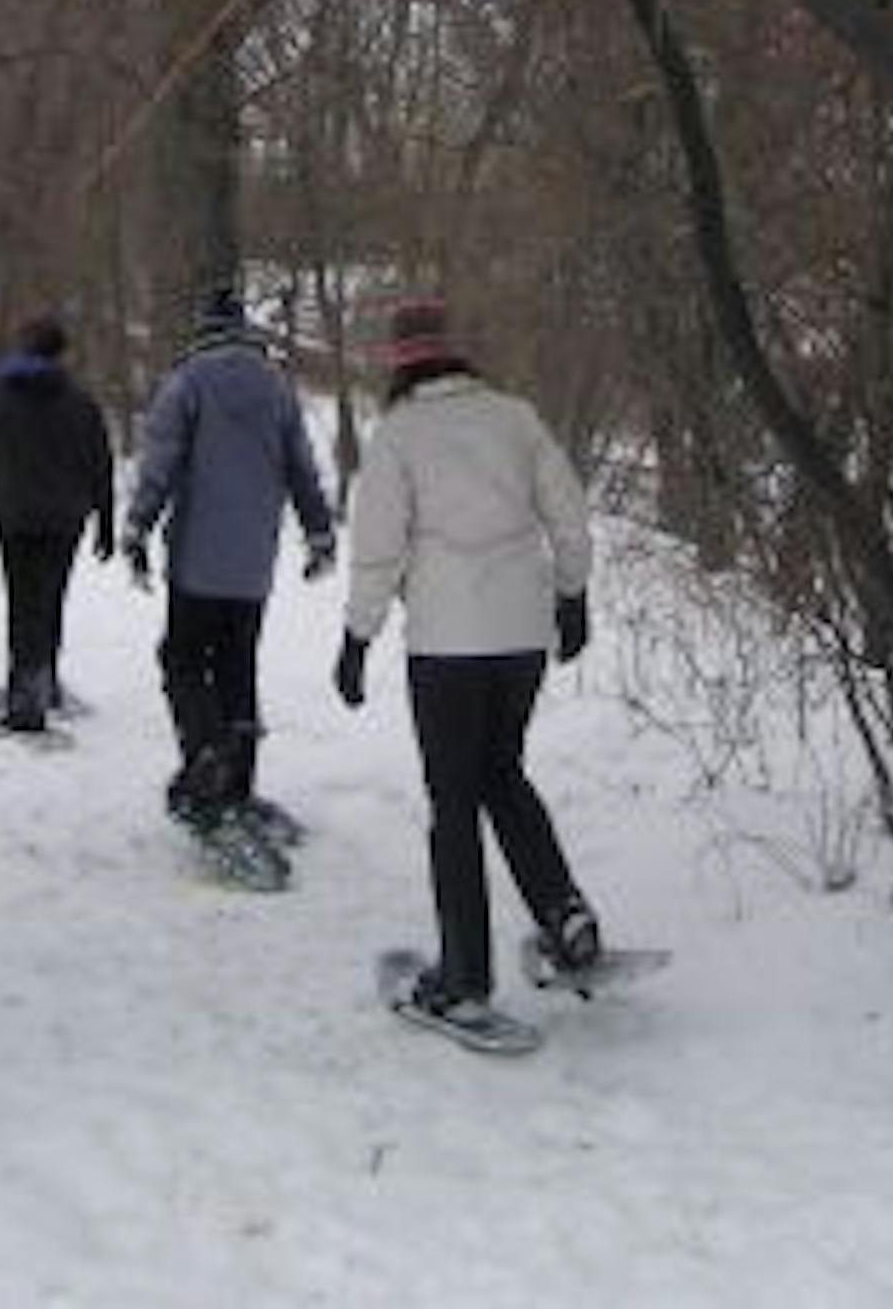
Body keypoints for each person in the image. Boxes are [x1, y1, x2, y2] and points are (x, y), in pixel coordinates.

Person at [333, 295, 601, 1038]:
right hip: (520, 638)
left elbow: (380, 549)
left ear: (399, 367)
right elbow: (569, 512)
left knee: (454, 804)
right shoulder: (515, 417)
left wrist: (358, 639)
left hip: (448, 648)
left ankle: (463, 979)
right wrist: (572, 596)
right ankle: (564, 913)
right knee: (503, 776)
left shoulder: (400, 436)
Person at [123, 282, 335, 830]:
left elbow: (160, 463)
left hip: (197, 558)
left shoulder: (187, 383)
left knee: (182, 660)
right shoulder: (278, 389)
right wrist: (318, 531)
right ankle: (237, 783)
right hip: (252, 564)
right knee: (238, 668)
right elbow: (301, 468)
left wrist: (139, 525)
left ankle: (206, 756)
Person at [0, 313, 115, 732]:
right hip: (66, 517)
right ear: (62, 354)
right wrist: (106, 520)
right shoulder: (81, 403)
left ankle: (24, 693)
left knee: (21, 601)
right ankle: (44, 679)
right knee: (51, 598)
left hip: (16, 513)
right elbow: (100, 464)